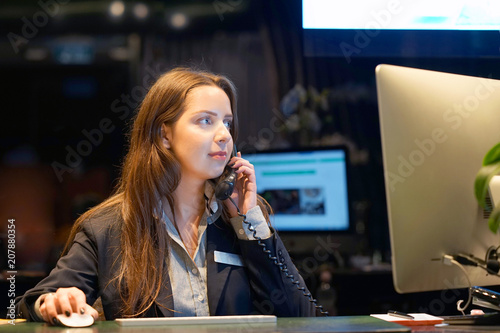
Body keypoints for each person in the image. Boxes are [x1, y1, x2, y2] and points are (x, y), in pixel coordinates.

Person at [15, 67, 319, 323]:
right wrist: (55, 302)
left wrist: (247, 221)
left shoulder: (244, 218)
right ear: (164, 135)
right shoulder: (105, 227)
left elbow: (300, 316)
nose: (224, 134)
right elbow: (37, 300)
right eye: (205, 121)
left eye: (227, 122)